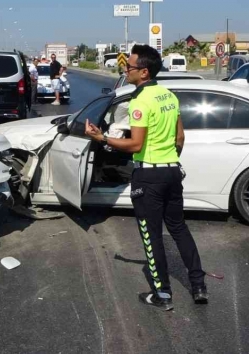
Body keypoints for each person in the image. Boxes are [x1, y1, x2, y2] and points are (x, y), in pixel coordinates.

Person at [84, 44, 207, 311]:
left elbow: (136, 145)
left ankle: (162, 295)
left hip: (149, 176)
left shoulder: (140, 101)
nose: (125, 70)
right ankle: (198, 286)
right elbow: (180, 138)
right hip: (172, 172)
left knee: (152, 237)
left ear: (144, 72)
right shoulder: (169, 96)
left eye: (129, 67)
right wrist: (169, 161)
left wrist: (102, 137)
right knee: (179, 228)